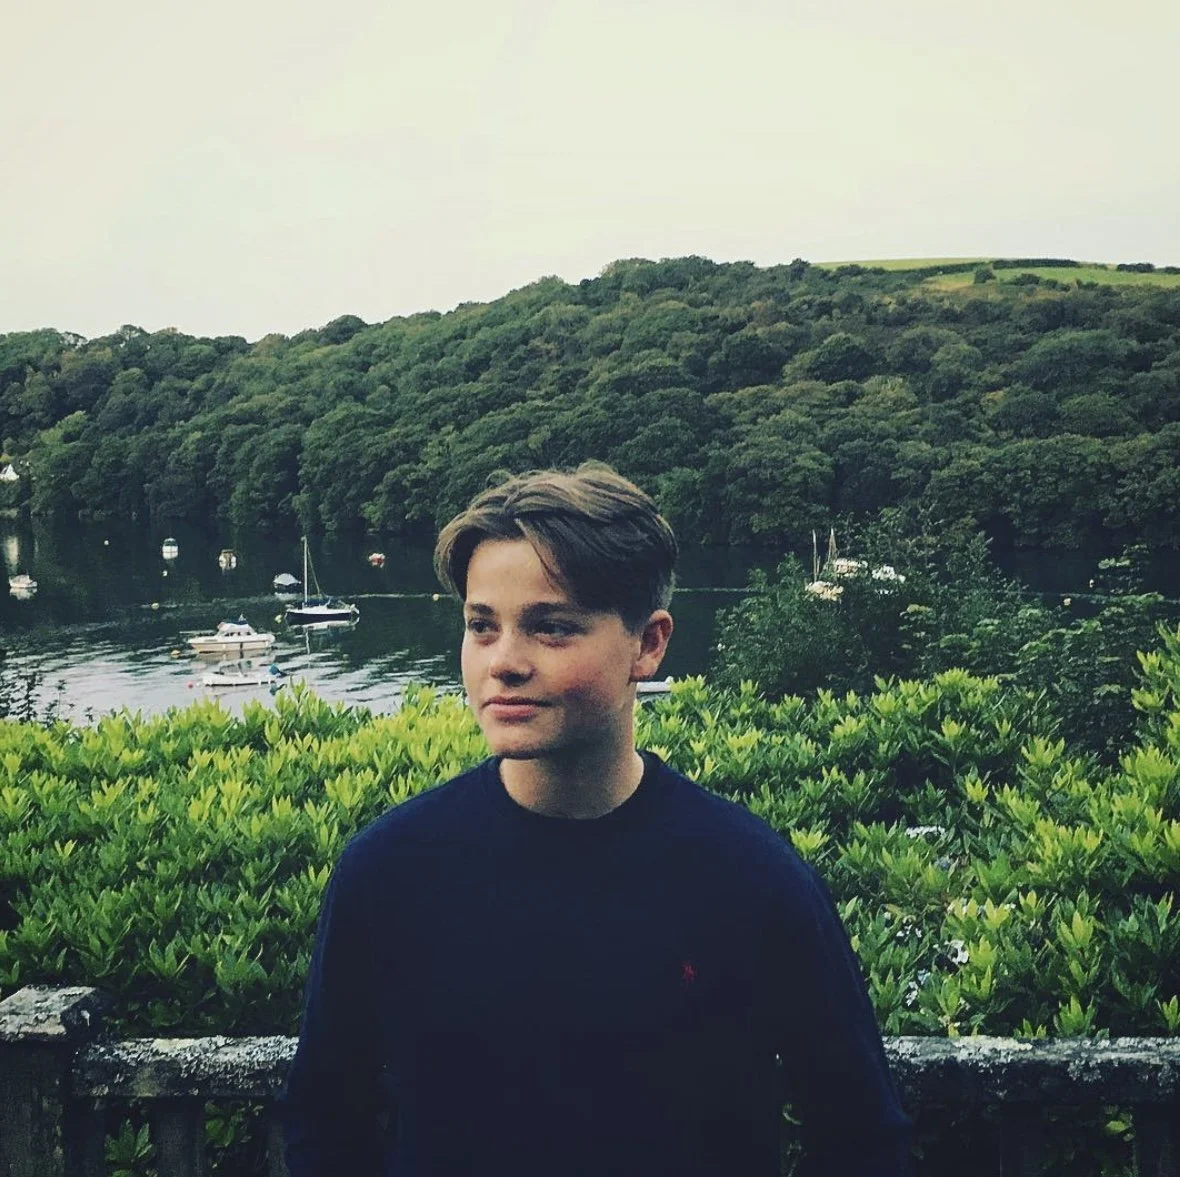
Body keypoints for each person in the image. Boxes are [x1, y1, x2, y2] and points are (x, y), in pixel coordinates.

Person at [282, 463, 913, 1177]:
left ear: (649, 643)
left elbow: (862, 1137)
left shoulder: (752, 878)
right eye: (481, 626)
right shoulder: (389, 871)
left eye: (552, 627)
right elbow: (324, 1120)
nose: (504, 662)